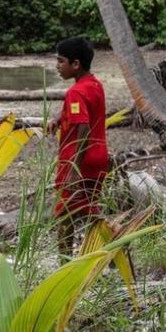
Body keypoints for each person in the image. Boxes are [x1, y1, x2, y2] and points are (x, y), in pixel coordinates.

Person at [46, 37, 109, 257]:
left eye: (61, 61)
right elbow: (83, 112)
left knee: (64, 216)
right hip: (98, 158)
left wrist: (73, 169)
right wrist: (58, 119)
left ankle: (64, 266)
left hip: (78, 161)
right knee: (90, 210)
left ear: (75, 64)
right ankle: (113, 255)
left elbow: (83, 129)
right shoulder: (94, 85)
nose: (57, 66)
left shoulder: (75, 92)